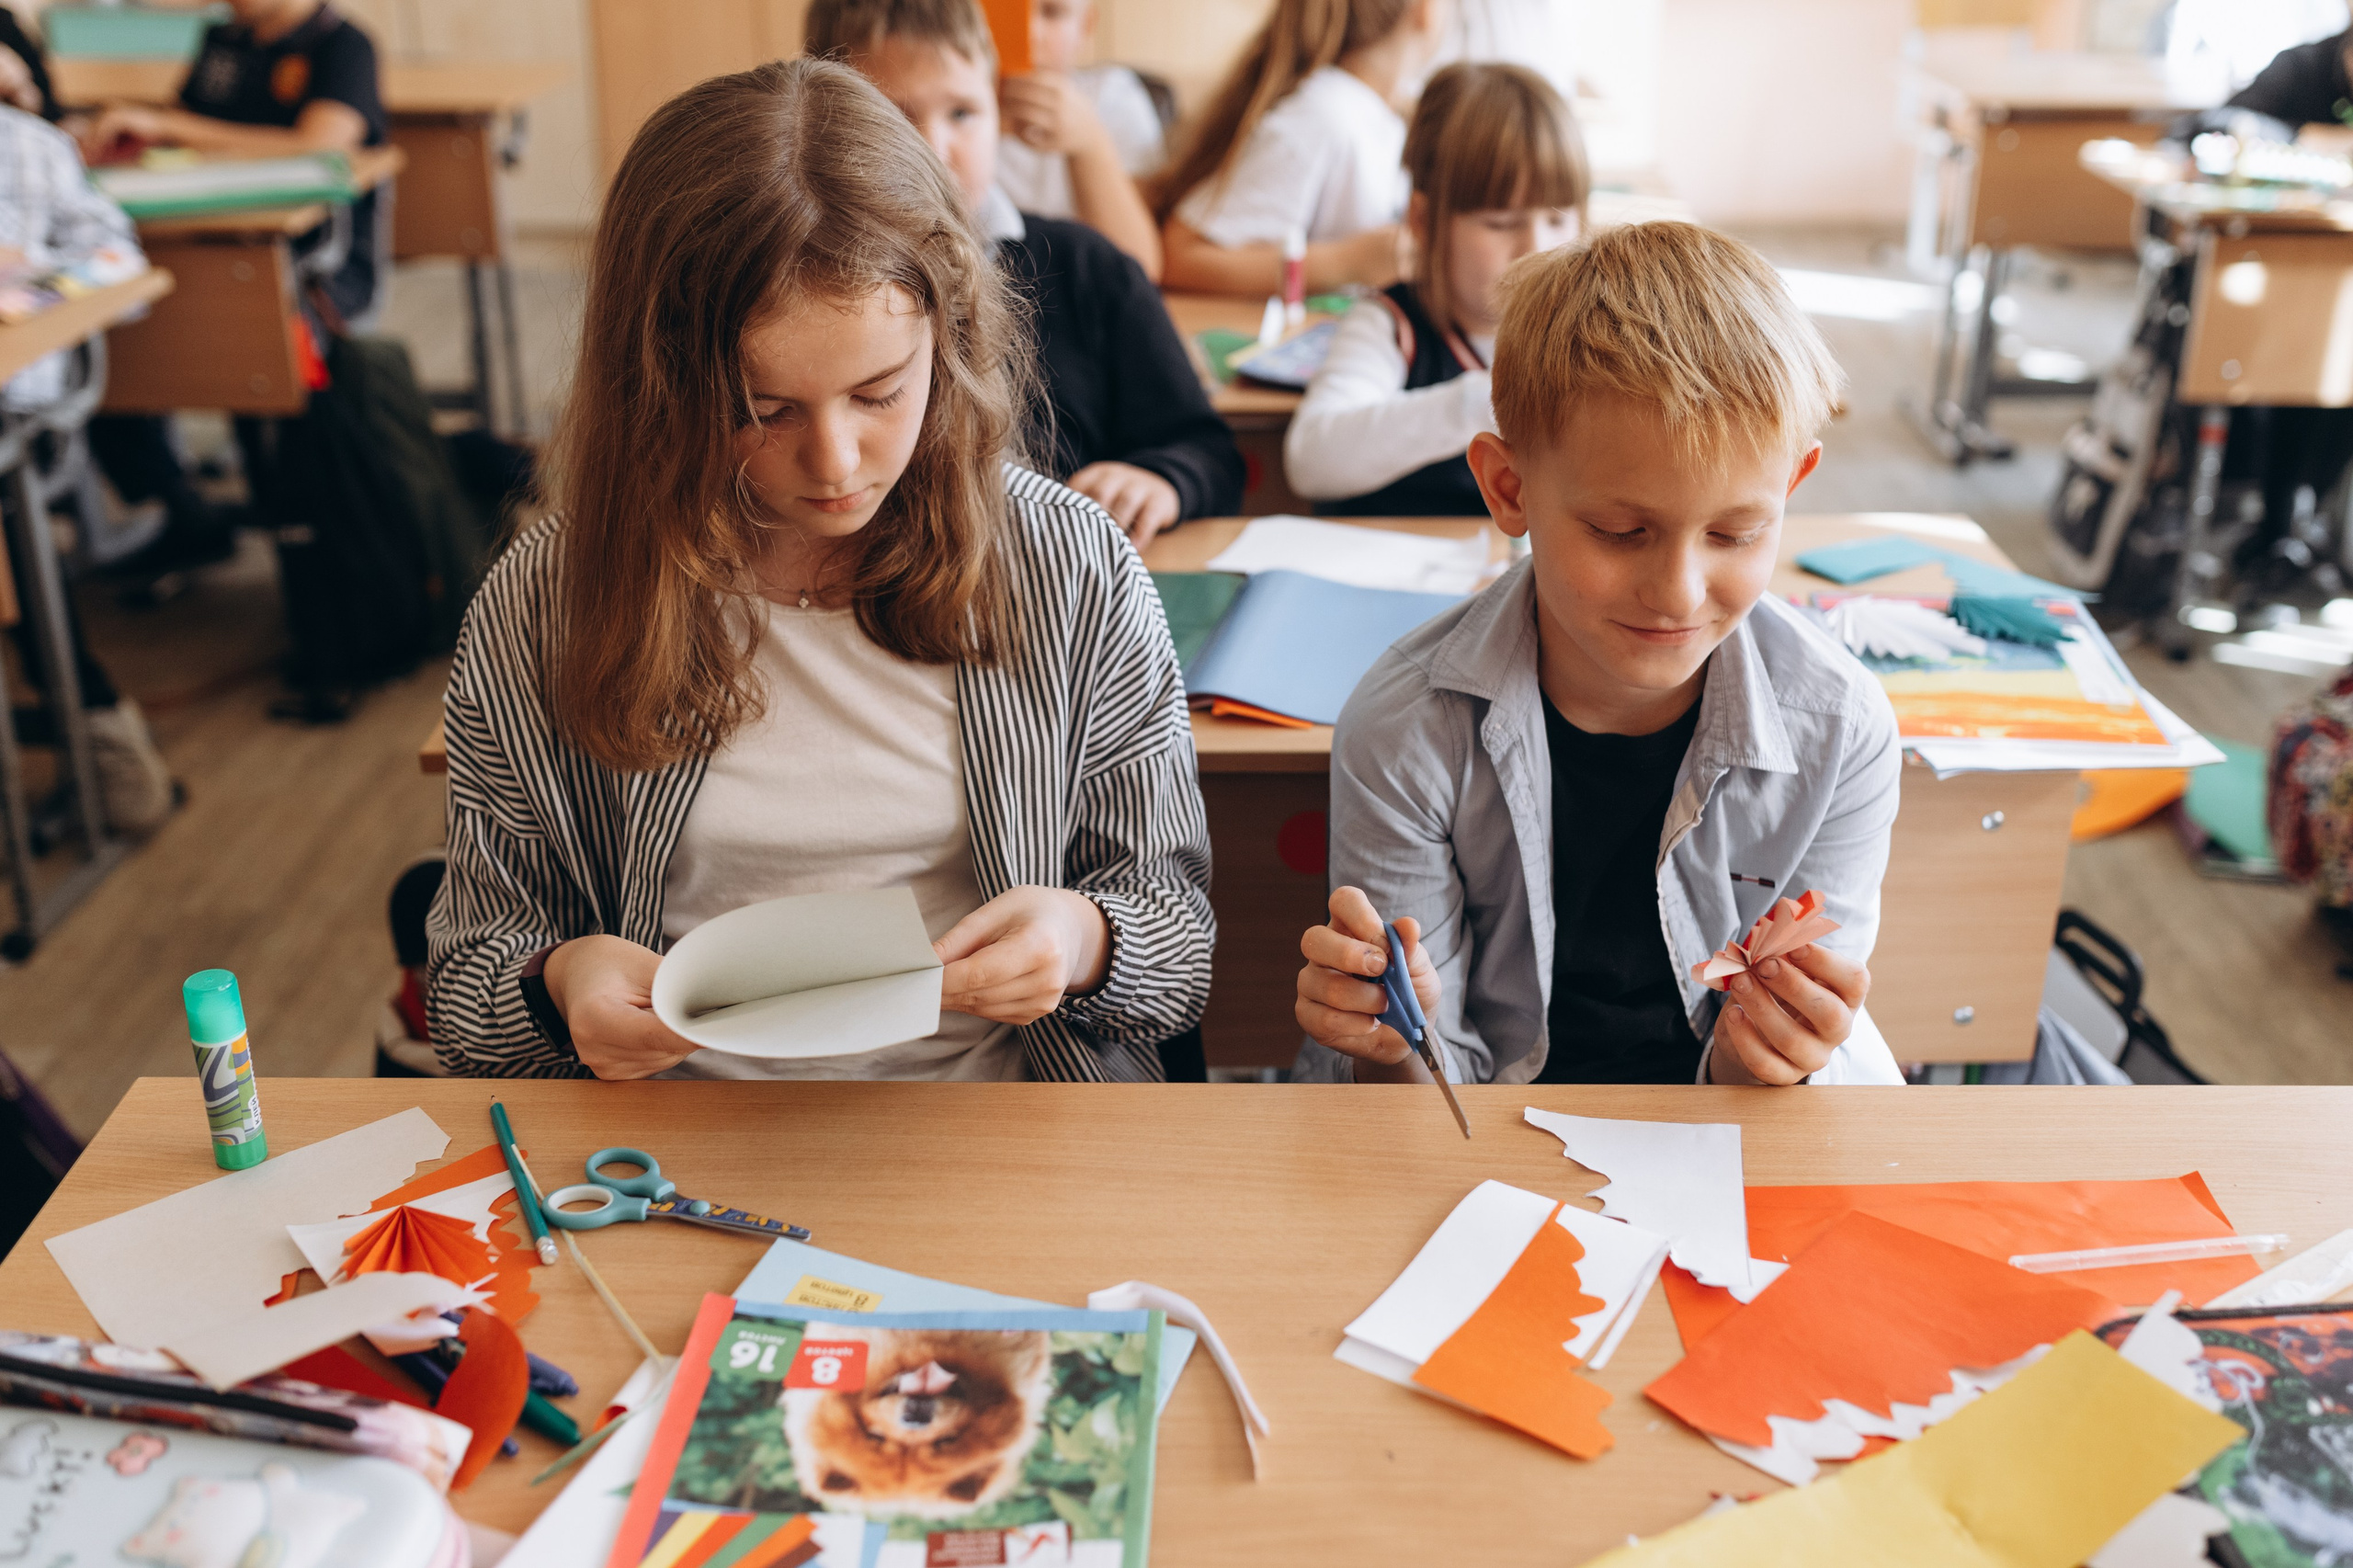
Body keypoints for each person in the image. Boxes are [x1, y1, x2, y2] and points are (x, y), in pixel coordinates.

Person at [426, 58, 1213, 1083]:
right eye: (765, 410)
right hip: (675, 1153)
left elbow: (1180, 950)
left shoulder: (1069, 565)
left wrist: (1080, 938)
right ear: (657, 386)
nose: (837, 464)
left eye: (881, 392)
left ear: (950, 332)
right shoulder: (548, 598)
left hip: (994, 1131)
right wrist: (556, 982)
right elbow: (463, 997)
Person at [1291, 222, 1905, 1088]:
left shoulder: (1839, 729)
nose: (1681, 591)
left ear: (1792, 487)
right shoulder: (1406, 728)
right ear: (1509, 488)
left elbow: (1779, 1092)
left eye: (1736, 532)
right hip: (1485, 1141)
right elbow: (1427, 1096)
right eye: (1623, 532)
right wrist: (1394, 1044)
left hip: (1724, 1142)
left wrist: (1775, 1054)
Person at [810, 0, 1242, 546]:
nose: (934, 148)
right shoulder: (797, 296)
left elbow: (1210, 453)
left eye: (963, 113)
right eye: (895, 117)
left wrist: (1161, 482)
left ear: (1000, 113)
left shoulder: (1089, 267)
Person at [80, 0, 387, 582]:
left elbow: (320, 145)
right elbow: (184, 127)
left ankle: (316, 549)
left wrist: (172, 127)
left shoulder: (342, 43)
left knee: (243, 343)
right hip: (205, 240)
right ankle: (180, 505)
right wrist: (146, 141)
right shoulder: (225, 40)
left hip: (313, 271)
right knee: (108, 330)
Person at [1284, 62, 1586, 516]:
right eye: (1500, 223)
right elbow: (1310, 460)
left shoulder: (1589, 336)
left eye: (1558, 219)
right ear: (1423, 220)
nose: (1537, 248)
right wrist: (1479, 403)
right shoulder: (1391, 326)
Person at [0, 103, 175, 834]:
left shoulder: (28, 148)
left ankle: (102, 740)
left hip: (20, 404)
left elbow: (117, 261)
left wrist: (31, 274)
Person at [1155, 0, 1449, 298]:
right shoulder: (1322, 116)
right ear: (1423, 9)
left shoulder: (1382, 113)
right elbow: (1181, 257)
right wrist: (1346, 261)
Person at [995, 0, 1165, 276]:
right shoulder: (937, 106)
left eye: (1053, 13)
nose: (1031, 33)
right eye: (1009, 11)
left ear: (1086, 26)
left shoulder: (1114, 99)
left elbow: (1142, 271)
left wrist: (1090, 144)